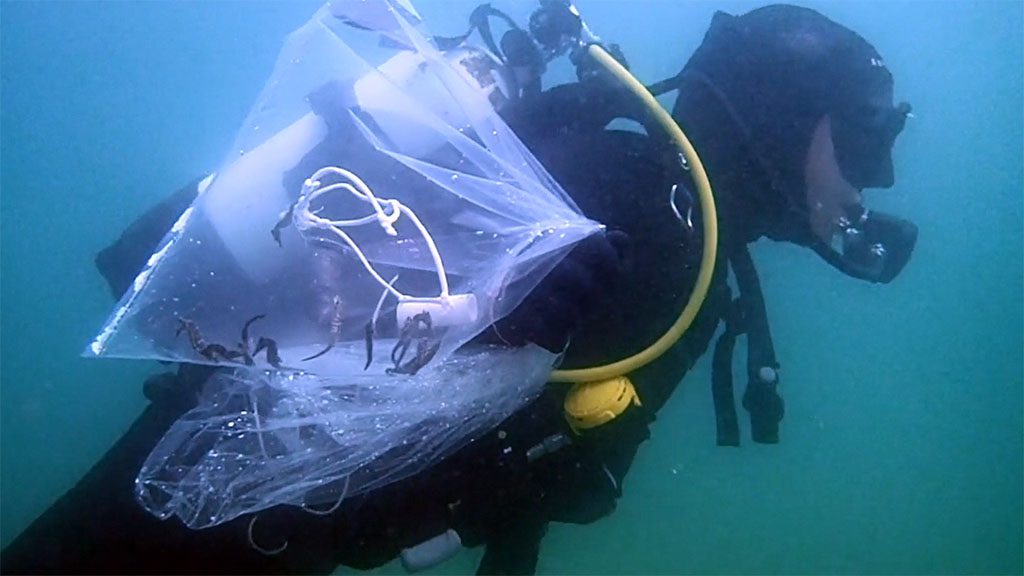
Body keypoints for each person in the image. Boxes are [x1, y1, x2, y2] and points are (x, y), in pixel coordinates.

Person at [0, 3, 916, 575]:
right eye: (862, 136)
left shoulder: (682, 232)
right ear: (788, 117)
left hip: (257, 512)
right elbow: (360, 306)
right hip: (217, 512)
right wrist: (503, 327)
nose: (871, 176)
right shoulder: (647, 203)